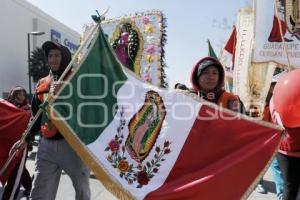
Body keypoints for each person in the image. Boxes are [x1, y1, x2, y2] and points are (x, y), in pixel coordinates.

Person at [28, 41, 91, 200]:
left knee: (82, 189)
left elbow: (87, 110)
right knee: (39, 192)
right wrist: (26, 136)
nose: (53, 59)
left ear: (65, 57)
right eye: (50, 56)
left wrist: (67, 91)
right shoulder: (42, 83)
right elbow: (35, 115)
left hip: (72, 146)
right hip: (46, 146)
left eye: (57, 55)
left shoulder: (78, 80)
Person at [1, 86, 32, 199]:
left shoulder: (28, 109)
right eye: (17, 94)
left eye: (22, 94)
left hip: (21, 146)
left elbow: (31, 125)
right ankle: (29, 186)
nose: (20, 97)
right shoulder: (5, 107)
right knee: (18, 170)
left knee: (15, 175)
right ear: (12, 95)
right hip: (5, 146)